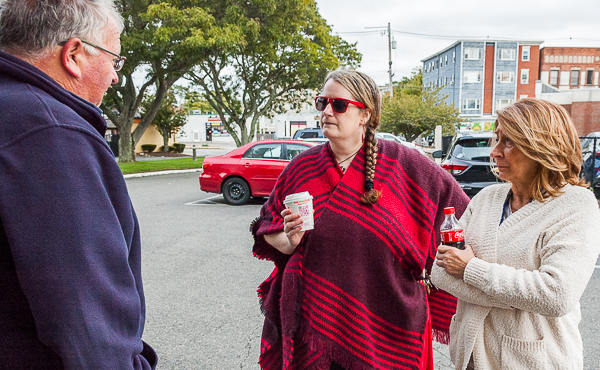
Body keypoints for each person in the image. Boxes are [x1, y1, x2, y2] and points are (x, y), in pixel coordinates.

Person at [251, 69, 469, 370]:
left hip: (389, 322)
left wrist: (463, 257)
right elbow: (266, 229)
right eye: (321, 102)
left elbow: (463, 214)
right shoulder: (302, 168)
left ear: (364, 114)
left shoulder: (406, 165)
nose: (327, 111)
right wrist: (288, 240)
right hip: (313, 322)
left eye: (338, 104)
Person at [0, 1, 157, 368]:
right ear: (73, 54)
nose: (116, 76)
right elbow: (86, 321)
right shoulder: (51, 133)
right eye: (114, 60)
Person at [431, 98, 600, 370]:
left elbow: (556, 296)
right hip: (471, 358)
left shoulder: (576, 205)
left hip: (531, 361)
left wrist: (471, 270)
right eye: (497, 140)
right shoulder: (487, 198)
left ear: (542, 147)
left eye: (508, 142)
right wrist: (520, 298)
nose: (495, 152)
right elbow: (440, 273)